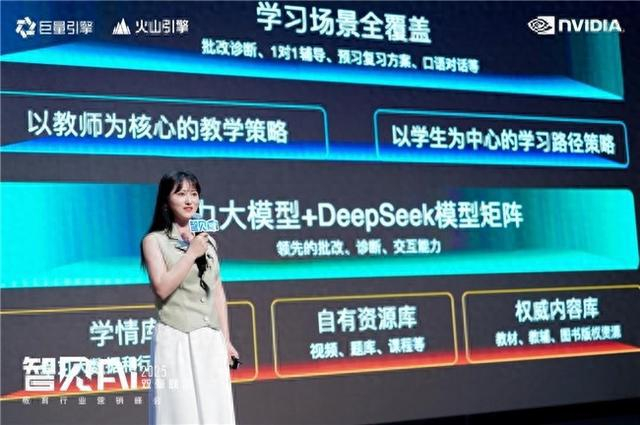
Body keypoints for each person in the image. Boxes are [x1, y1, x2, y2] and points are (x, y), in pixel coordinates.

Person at [141, 171, 237, 425]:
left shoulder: (208, 241)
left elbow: (217, 289)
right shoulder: (154, 241)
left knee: (216, 414)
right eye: (181, 193)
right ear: (166, 200)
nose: (189, 200)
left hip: (210, 338)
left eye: (194, 194)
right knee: (179, 414)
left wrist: (225, 341)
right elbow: (162, 288)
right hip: (176, 338)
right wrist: (191, 253)